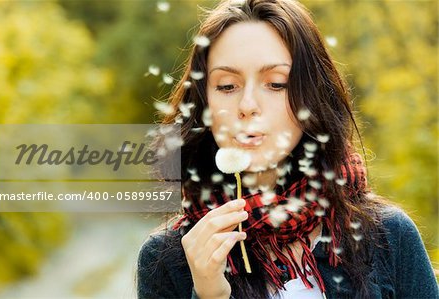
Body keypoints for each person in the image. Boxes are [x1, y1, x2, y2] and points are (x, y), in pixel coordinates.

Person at [137, 0, 439, 298]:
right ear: (204, 103)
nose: (247, 106)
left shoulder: (388, 236)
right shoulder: (167, 260)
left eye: (277, 84)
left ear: (311, 96)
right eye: (227, 86)